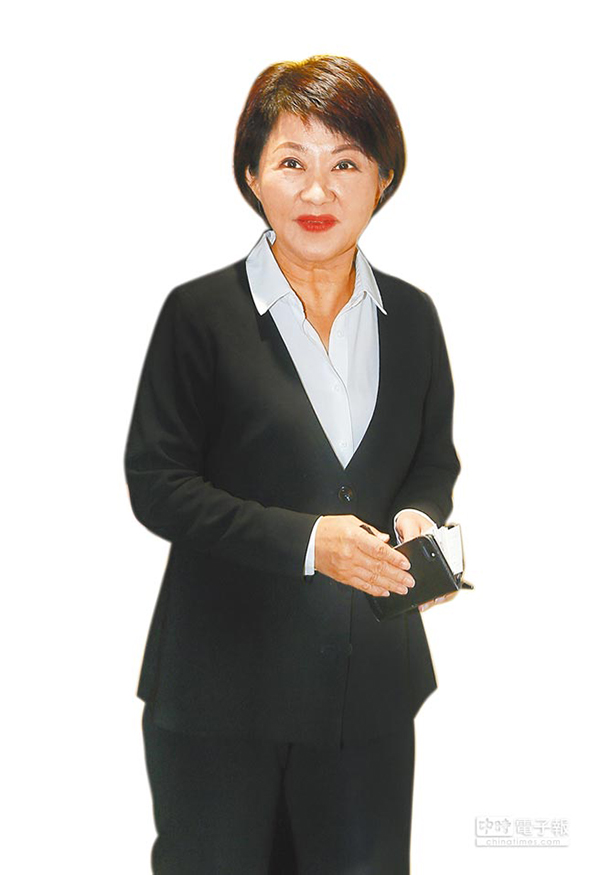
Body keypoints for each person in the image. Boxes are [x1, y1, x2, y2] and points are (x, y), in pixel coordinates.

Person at [124, 54, 461, 875]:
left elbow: (432, 459)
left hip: (368, 693)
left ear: (382, 178)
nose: (318, 192)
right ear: (252, 175)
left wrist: (417, 518)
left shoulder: (413, 317)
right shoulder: (199, 315)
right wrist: (312, 543)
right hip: (219, 691)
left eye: (345, 163)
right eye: (291, 163)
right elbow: (158, 485)